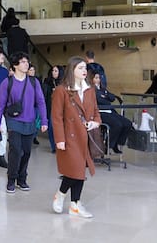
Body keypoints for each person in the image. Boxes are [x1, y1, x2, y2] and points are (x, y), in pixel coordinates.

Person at [51, 56, 101, 218]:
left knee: (79, 170)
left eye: (85, 68)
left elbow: (95, 113)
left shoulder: (89, 90)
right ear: (72, 70)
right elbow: (56, 116)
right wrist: (59, 139)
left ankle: (73, 203)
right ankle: (64, 196)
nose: (84, 71)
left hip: (84, 135)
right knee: (76, 169)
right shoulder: (62, 90)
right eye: (80, 68)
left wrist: (94, 123)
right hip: (69, 136)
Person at [0, 51, 48, 194]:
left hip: (29, 121)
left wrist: (44, 120)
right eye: (23, 62)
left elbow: (41, 102)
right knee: (15, 151)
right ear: (15, 65)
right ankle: (12, 179)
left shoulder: (34, 82)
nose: (26, 64)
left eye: (27, 61)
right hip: (14, 121)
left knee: (27, 152)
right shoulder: (7, 83)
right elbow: (1, 105)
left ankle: (22, 179)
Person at [90, 72, 132, 154]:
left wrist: (105, 96)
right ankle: (108, 145)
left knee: (127, 123)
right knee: (117, 124)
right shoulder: (91, 90)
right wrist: (106, 97)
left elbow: (112, 97)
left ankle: (117, 142)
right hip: (101, 113)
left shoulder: (103, 89)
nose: (98, 80)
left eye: (99, 78)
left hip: (110, 111)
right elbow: (100, 100)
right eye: (96, 78)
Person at [43, 65, 64, 153]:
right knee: (51, 127)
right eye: (53, 71)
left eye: (56, 71)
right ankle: (54, 146)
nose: (54, 72)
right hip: (51, 106)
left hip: (61, 108)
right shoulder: (48, 82)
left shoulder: (63, 83)